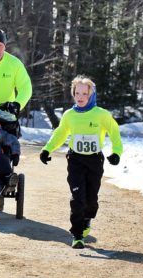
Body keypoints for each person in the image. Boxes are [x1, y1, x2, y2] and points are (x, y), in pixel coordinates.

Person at [39, 75, 123, 249]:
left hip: (94, 160)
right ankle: (77, 234)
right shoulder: (69, 115)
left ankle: (87, 219)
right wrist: (47, 149)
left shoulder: (101, 114)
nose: (80, 97)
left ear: (91, 95)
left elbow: (114, 132)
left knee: (91, 200)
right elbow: (60, 133)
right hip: (75, 159)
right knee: (78, 198)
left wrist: (116, 152)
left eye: (84, 93)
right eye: (77, 93)